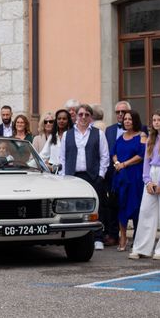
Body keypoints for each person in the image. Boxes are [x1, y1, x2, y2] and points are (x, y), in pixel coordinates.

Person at [129, 109, 160, 260]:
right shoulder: (150, 139)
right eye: (154, 120)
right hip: (152, 173)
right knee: (145, 211)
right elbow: (146, 161)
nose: (156, 123)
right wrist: (148, 180)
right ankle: (141, 248)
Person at [58, 104, 110, 250]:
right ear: (76, 116)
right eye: (80, 114)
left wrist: (100, 175)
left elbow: (104, 156)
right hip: (72, 176)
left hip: (92, 176)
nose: (83, 117)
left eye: (87, 114)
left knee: (95, 208)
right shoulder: (67, 134)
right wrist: (63, 176)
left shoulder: (98, 134)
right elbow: (62, 158)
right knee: (71, 207)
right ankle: (72, 237)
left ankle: (98, 238)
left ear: (90, 117)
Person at [111, 110, 146, 251]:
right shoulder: (121, 137)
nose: (126, 121)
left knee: (137, 207)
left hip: (136, 176)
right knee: (122, 206)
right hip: (121, 178)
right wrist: (117, 163)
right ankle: (123, 237)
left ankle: (138, 239)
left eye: (130, 119)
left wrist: (124, 164)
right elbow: (113, 153)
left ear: (135, 120)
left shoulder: (142, 136)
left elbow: (141, 155)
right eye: (125, 119)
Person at [104, 100, 133, 247]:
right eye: (118, 112)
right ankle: (114, 235)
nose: (121, 115)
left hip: (131, 172)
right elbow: (108, 152)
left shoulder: (139, 130)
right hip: (113, 173)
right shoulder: (109, 130)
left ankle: (135, 236)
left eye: (124, 112)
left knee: (131, 204)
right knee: (112, 205)